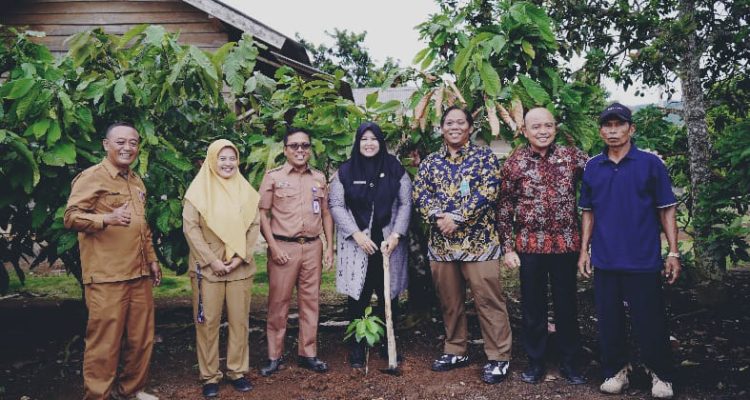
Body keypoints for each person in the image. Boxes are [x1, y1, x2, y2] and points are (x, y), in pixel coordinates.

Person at [578, 102, 680, 399]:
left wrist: (673, 252)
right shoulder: (593, 166)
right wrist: (584, 250)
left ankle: (660, 374)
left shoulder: (650, 163)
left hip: (643, 257)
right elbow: (588, 211)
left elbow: (666, 209)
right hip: (606, 258)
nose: (613, 131)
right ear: (600, 131)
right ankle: (616, 371)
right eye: (607, 125)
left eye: (619, 125)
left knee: (650, 319)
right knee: (609, 320)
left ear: (631, 129)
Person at [413, 106, 513, 384]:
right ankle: (456, 350)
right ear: (441, 128)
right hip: (442, 248)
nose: (454, 127)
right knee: (450, 302)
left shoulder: (484, 157)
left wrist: (458, 217)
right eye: (449, 122)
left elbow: (490, 190)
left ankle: (499, 357)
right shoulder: (430, 162)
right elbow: (420, 193)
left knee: (488, 300)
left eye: (460, 122)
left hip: (479, 246)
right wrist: (438, 217)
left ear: (470, 127)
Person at [64, 122, 161, 400]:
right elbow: (70, 217)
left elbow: (142, 225)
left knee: (141, 339)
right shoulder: (92, 177)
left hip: (139, 273)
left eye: (133, 142)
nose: (127, 147)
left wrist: (152, 258)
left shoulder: (136, 180)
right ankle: (98, 396)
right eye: (120, 142)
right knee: (104, 343)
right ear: (106, 145)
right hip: (107, 276)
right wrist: (107, 218)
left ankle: (130, 391)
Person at [497, 107, 588, 385]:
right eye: (536, 127)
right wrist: (508, 247)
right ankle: (535, 362)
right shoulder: (515, 163)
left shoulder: (572, 157)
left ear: (555, 128)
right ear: (524, 131)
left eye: (548, 125)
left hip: (566, 244)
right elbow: (504, 205)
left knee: (566, 305)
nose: (543, 131)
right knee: (533, 307)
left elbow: (604, 169)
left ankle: (570, 362)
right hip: (529, 246)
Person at [328, 122, 412, 367]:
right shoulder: (345, 171)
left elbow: (406, 202)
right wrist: (356, 234)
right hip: (358, 245)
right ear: (357, 142)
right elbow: (336, 205)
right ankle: (358, 345)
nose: (369, 143)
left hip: (388, 245)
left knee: (388, 295)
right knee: (358, 296)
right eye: (364, 139)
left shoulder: (395, 168)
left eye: (373, 138)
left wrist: (396, 235)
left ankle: (388, 343)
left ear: (380, 142)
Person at [182, 139, 261, 397]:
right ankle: (210, 376)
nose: (228, 163)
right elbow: (190, 228)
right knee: (208, 324)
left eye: (232, 158)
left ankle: (237, 371)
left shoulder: (246, 190)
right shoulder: (198, 191)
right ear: (211, 160)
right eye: (222, 158)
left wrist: (239, 257)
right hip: (208, 269)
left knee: (239, 321)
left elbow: (254, 225)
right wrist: (211, 260)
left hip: (240, 268)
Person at [257, 127, 334, 376]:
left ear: (310, 149)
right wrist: (273, 246)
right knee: (278, 304)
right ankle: (274, 356)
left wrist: (329, 247)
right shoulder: (273, 177)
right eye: (294, 146)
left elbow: (326, 213)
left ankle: (308, 354)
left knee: (311, 302)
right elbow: (262, 214)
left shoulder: (319, 178)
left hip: (312, 247)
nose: (300, 150)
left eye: (305, 145)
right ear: (285, 150)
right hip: (284, 248)